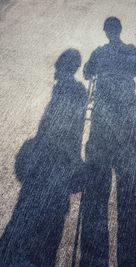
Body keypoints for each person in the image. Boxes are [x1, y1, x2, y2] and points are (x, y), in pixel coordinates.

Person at [0, 49, 88, 267]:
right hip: (59, 160)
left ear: (63, 67)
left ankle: (22, 255)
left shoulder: (66, 91)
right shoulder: (75, 91)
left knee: (33, 213)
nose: (56, 71)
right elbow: (73, 130)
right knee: (48, 217)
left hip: (51, 158)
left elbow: (51, 127)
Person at [80, 17, 136, 266]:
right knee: (129, 156)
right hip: (127, 115)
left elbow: (87, 73)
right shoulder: (131, 51)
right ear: (119, 30)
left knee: (99, 172)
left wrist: (101, 69)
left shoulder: (98, 53)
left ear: (106, 32)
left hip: (104, 116)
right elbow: (135, 70)